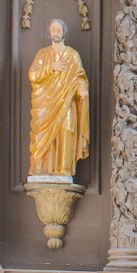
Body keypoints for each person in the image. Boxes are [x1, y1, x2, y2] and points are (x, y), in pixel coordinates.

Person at [27, 18, 90, 178]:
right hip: (46, 106)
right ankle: (43, 169)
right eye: (53, 29)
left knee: (66, 131)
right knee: (44, 137)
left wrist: (82, 91)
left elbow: (79, 78)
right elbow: (33, 75)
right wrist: (51, 68)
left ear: (64, 33)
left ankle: (64, 171)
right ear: (49, 33)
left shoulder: (72, 56)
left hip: (66, 103)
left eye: (58, 29)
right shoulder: (42, 54)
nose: (56, 32)